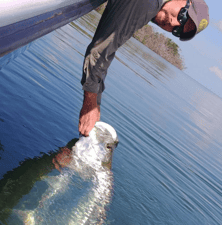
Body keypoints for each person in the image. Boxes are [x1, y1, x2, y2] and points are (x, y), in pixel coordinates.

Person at [79, 0, 209, 136]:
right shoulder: (148, 3)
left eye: (177, 31)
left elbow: (105, 49)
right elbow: (100, 52)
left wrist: (95, 103)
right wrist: (90, 105)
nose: (174, 24)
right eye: (183, 17)